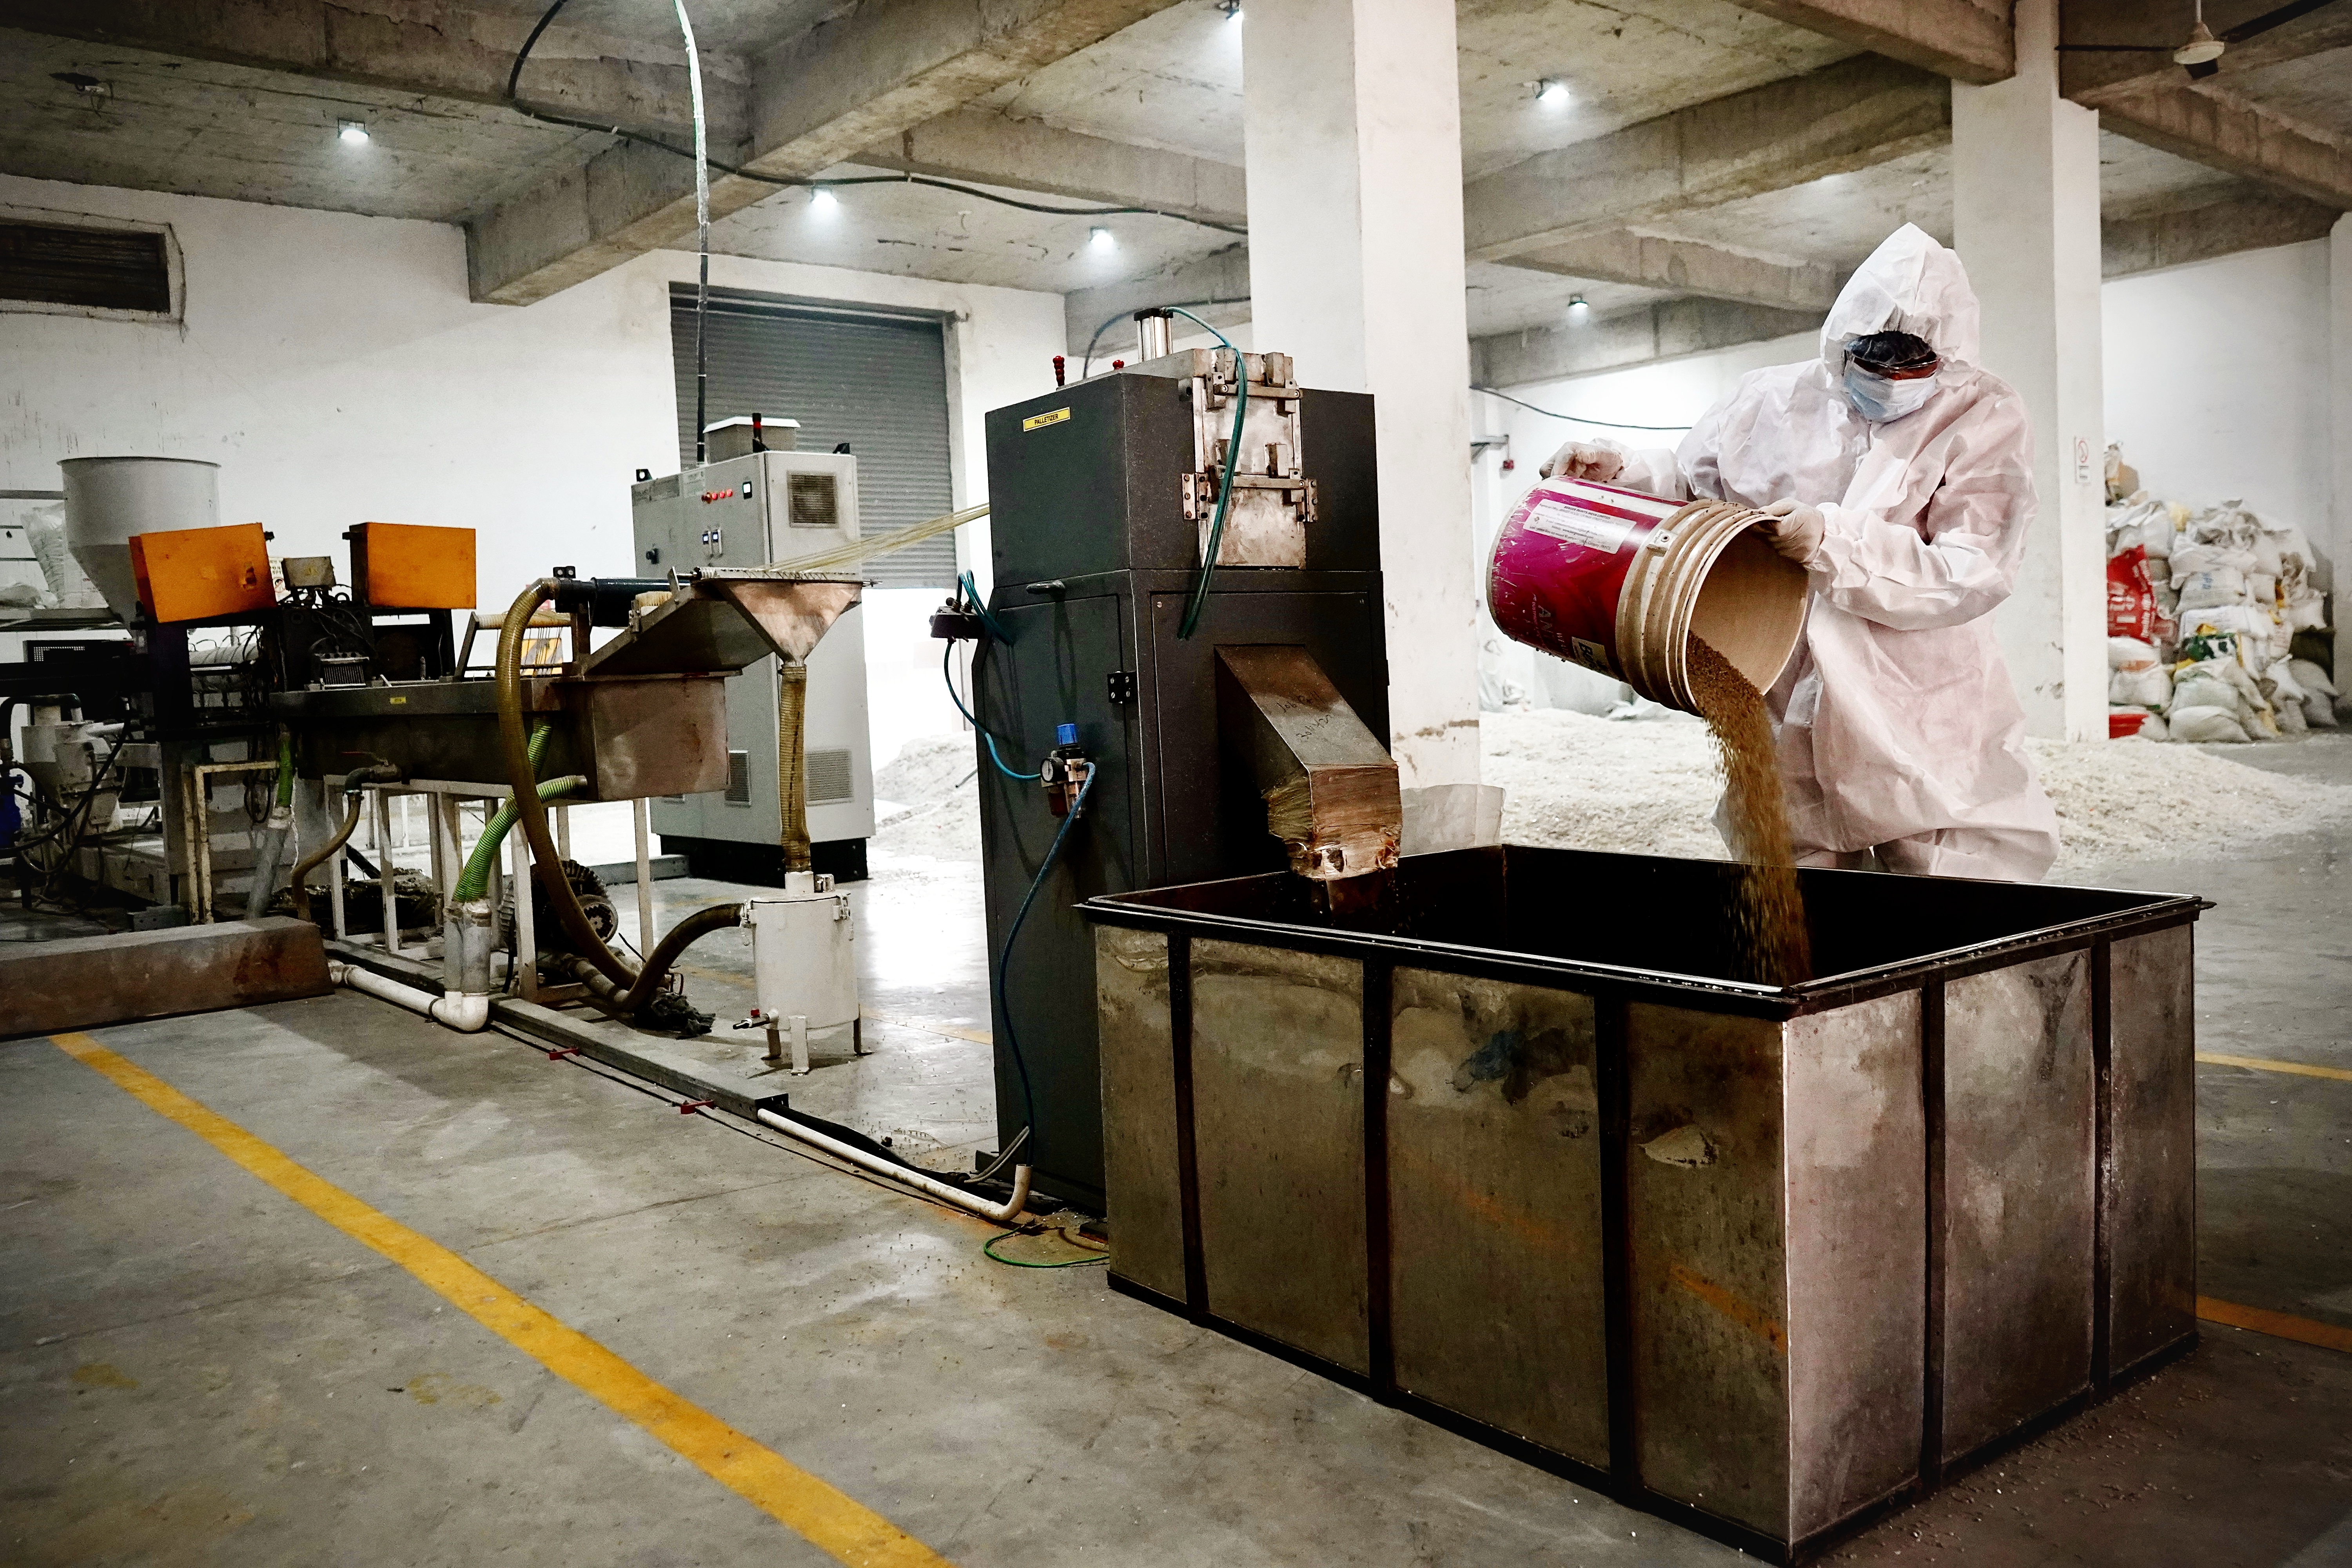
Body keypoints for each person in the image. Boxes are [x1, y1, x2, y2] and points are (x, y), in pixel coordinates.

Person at [1543, 223, 2060, 881]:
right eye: (1873, 362)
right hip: (1781, 679)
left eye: (1913, 365)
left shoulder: (1982, 415)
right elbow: (1691, 489)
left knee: (1956, 884)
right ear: (1841, 343)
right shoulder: (1768, 401)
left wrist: (1833, 541)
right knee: (1801, 880)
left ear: (1948, 357)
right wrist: (1619, 471)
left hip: (1916, 699)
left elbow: (1974, 568)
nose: (1891, 379)